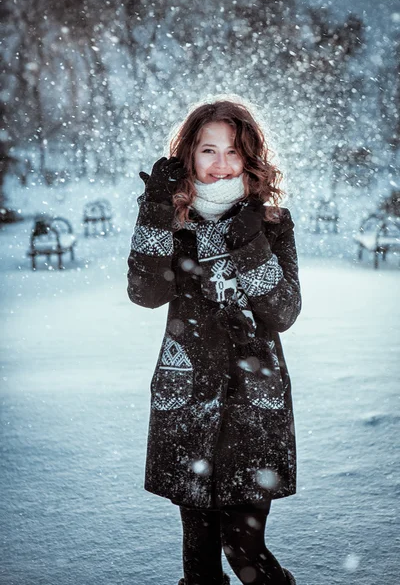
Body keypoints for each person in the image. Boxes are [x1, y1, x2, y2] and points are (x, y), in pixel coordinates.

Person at [127, 97, 301, 585]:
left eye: (233, 151)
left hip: (253, 404)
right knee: (199, 557)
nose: (220, 164)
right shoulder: (174, 223)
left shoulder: (271, 224)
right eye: (208, 150)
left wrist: (248, 244)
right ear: (188, 156)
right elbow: (146, 292)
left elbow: (283, 312)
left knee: (245, 549)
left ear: (249, 158)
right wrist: (156, 214)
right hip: (188, 401)